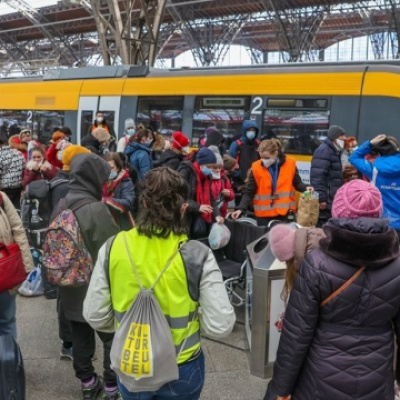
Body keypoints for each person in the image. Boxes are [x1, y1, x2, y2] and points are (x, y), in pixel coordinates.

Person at [83, 167, 236, 399]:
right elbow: (221, 326)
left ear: (143, 203)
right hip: (181, 365)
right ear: (184, 208)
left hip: (131, 361)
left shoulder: (113, 246)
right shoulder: (197, 255)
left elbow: (95, 315)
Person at [264, 179, 400, 400]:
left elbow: (296, 335)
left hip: (321, 378)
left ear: (338, 212)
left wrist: (279, 390)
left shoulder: (317, 262)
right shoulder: (397, 264)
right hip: (376, 376)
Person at [52, 153, 120, 399]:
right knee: (112, 336)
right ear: (92, 177)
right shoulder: (95, 209)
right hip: (96, 287)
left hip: (70, 287)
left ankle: (89, 383)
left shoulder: (61, 203)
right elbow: (113, 250)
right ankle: (112, 387)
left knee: (80, 338)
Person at [48, 144, 92, 362]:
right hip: (70, 253)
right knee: (68, 300)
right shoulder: (66, 187)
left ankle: (70, 342)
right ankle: (69, 344)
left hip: (64, 252)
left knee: (67, 299)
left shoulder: (59, 181)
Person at [231, 139, 310, 226]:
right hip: (264, 216)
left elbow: (297, 183)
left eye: (267, 158)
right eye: (261, 158)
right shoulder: (256, 167)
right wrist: (240, 208)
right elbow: (249, 191)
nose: (264, 161)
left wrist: (306, 188)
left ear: (275, 153)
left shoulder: (290, 164)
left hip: (285, 214)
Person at [349, 133, 400, 236]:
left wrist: (370, 144)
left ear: (379, 151)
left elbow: (353, 157)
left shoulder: (373, 168)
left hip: (380, 223)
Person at [0, 191, 34, 339]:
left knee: (7, 321)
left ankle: (9, 360)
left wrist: (27, 266)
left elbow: (17, 229)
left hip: (5, 273)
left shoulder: (1, 197)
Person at [178, 147, 224, 238]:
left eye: (212, 167)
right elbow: (179, 196)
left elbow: (211, 199)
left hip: (199, 221)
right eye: (208, 167)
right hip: (186, 219)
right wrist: (198, 207)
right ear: (200, 163)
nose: (210, 170)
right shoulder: (186, 171)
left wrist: (217, 215)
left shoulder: (207, 177)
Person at [310, 125, 346, 225]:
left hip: (331, 199)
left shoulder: (334, 151)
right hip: (327, 200)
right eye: (341, 136)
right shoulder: (324, 151)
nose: (345, 138)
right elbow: (317, 177)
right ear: (334, 138)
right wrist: (321, 198)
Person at [228, 120, 260, 204]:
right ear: (244, 130)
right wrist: (236, 173)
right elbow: (229, 162)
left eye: (253, 130)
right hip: (239, 182)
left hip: (255, 180)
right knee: (240, 203)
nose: (251, 132)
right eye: (249, 130)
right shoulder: (237, 144)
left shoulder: (258, 144)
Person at [102, 152, 135, 231]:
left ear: (118, 168)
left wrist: (106, 201)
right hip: (103, 225)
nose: (109, 171)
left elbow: (128, 202)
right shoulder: (100, 181)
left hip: (121, 225)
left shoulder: (125, 181)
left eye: (111, 168)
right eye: (106, 168)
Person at [0, 131, 26, 209]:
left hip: (4, 189)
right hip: (18, 188)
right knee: (16, 211)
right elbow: (24, 169)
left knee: (6, 212)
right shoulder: (18, 152)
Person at [208, 146, 235, 218]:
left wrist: (229, 194)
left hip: (221, 213)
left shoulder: (224, 178)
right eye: (215, 168)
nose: (218, 170)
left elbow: (231, 192)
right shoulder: (206, 178)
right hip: (208, 213)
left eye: (220, 167)